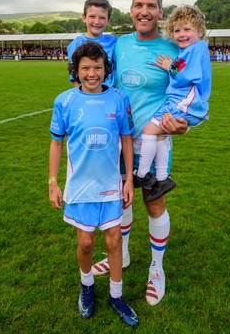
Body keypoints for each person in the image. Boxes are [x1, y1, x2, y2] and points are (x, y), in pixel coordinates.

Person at [92, 0, 188, 306]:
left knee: (153, 203)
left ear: (161, 11)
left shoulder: (175, 49)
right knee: (122, 199)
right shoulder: (120, 45)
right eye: (138, 5)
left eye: (150, 5)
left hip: (155, 140)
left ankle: (156, 269)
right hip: (119, 142)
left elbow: (192, 94)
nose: (144, 11)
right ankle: (124, 254)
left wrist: (185, 124)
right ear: (131, 10)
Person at [48, 41, 138, 327]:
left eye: (97, 67)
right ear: (76, 70)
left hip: (111, 185)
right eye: (85, 67)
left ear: (105, 69)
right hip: (80, 188)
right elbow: (56, 142)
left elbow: (126, 139)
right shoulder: (64, 101)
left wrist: (129, 180)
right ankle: (87, 286)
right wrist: (53, 181)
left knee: (114, 241)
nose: (91, 73)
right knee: (86, 243)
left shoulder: (119, 99)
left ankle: (116, 294)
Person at [135, 5, 212, 202]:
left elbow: (187, 76)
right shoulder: (190, 49)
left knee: (149, 130)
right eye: (177, 30)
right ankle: (162, 179)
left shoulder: (197, 48)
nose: (181, 34)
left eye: (187, 29)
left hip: (185, 102)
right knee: (160, 135)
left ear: (200, 31)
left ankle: (142, 174)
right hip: (182, 101)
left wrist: (171, 66)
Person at [67, 0, 118, 87]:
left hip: (109, 95)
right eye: (92, 16)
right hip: (87, 96)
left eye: (102, 18)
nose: (97, 21)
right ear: (84, 17)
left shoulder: (114, 41)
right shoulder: (76, 44)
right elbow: (76, 78)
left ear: (108, 21)